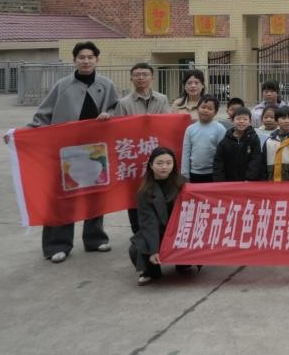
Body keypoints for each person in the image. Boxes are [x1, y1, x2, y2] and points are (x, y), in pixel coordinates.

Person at [27, 41, 119, 263]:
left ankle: (95, 239)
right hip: (65, 151)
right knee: (62, 197)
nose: (86, 61)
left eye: (90, 57)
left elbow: (116, 108)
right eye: (81, 57)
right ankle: (57, 245)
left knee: (95, 195)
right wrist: (22, 134)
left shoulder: (106, 84)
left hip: (96, 150)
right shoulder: (62, 85)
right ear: (74, 60)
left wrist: (109, 114)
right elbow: (43, 115)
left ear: (97, 60)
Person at [114, 61, 171, 233]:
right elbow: (119, 131)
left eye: (145, 74)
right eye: (137, 75)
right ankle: (138, 232)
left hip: (156, 154)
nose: (141, 78)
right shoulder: (123, 103)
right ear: (131, 78)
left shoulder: (162, 99)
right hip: (133, 156)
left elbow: (166, 124)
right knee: (135, 194)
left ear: (152, 78)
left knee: (159, 193)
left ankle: (160, 230)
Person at [129, 147, 188, 286]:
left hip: (179, 231)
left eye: (168, 163)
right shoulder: (144, 191)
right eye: (159, 163)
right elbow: (148, 223)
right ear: (151, 165)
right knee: (136, 248)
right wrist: (153, 250)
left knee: (185, 266)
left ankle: (183, 263)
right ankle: (151, 271)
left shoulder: (183, 183)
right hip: (158, 232)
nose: (164, 167)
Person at [181, 96, 227, 183]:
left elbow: (223, 153)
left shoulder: (220, 129)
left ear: (215, 112)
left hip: (213, 173)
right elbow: (186, 152)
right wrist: (185, 174)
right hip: (194, 173)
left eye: (210, 108)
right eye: (203, 107)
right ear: (197, 109)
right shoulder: (190, 129)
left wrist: (221, 173)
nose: (205, 110)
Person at [212, 107, 261, 182]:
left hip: (247, 182)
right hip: (228, 182)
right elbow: (218, 162)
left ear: (250, 122)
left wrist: (249, 178)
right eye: (238, 119)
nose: (241, 121)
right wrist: (219, 181)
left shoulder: (253, 139)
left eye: (245, 119)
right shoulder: (225, 141)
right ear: (232, 121)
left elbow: (255, 161)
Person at [260, 105, 289, 182]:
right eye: (283, 118)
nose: (287, 121)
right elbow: (263, 165)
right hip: (272, 182)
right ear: (276, 120)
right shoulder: (269, 141)